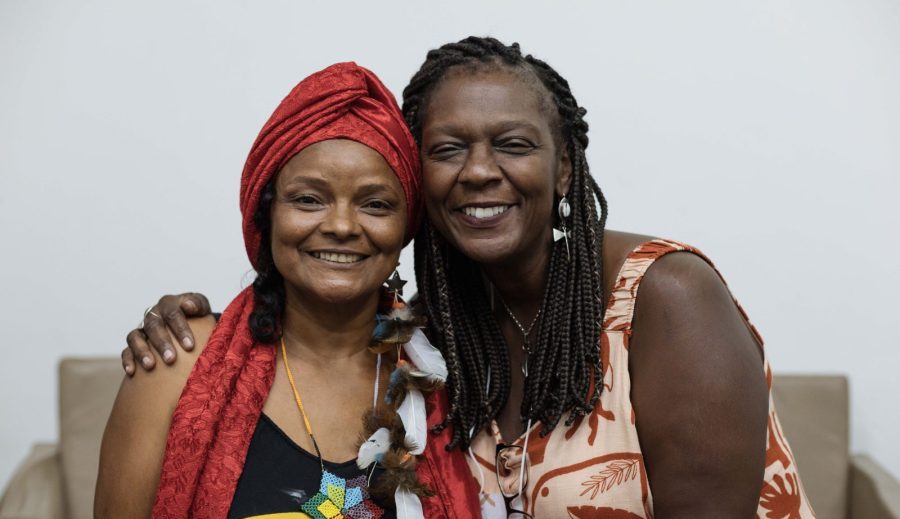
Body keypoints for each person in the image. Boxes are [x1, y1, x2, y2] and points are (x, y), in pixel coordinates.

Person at [124, 37, 816, 518]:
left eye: (513, 144)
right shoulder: (431, 342)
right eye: (448, 148)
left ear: (564, 167)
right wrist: (193, 328)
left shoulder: (666, 297)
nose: (480, 170)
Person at [96, 62, 479, 519]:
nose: (340, 225)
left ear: (406, 229)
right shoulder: (178, 362)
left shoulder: (448, 374)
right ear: (267, 213)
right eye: (308, 199)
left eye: (375, 204)